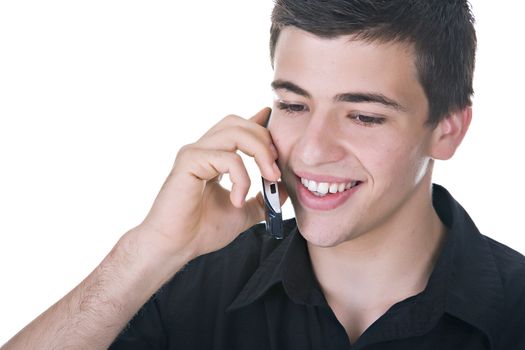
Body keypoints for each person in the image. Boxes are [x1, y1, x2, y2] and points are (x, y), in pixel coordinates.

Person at [2, 0, 525, 349]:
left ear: (448, 131)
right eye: (293, 105)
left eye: (364, 115)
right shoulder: (195, 286)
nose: (312, 151)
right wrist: (150, 250)